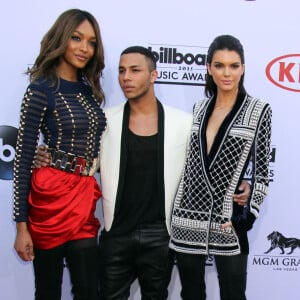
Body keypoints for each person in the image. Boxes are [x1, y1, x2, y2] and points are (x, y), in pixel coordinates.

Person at [34, 45, 250, 299]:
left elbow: (207, 165)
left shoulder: (183, 122)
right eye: (122, 71)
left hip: (161, 237)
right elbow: (85, 163)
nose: (126, 77)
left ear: (153, 75)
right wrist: (49, 158)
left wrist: (242, 182)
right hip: (116, 235)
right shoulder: (104, 120)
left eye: (135, 70)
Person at [169, 34, 272, 300]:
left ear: (243, 68)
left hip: (228, 219)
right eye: (219, 65)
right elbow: (192, 162)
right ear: (209, 68)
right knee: (191, 293)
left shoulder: (259, 110)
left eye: (234, 65)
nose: (227, 73)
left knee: (234, 293)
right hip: (187, 215)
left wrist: (247, 217)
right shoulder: (199, 108)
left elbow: (262, 172)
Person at [13, 9, 106, 300]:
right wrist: (21, 227)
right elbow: (24, 157)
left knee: (89, 290)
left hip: (84, 192)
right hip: (51, 197)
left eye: (91, 42)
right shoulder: (40, 89)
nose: (84, 48)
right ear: (61, 39)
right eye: (76, 38)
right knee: (49, 290)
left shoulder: (88, 91)